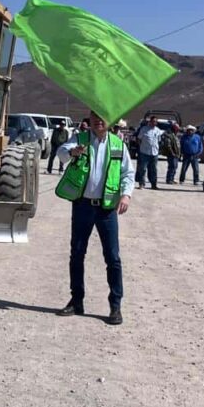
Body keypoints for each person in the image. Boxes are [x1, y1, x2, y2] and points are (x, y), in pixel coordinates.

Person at [54, 110, 134, 325]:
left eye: (103, 117)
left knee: (113, 257)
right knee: (77, 253)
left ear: (110, 121)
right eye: (94, 116)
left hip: (106, 209)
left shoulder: (118, 144)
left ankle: (115, 305)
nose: (99, 121)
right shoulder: (79, 140)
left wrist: (126, 194)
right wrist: (73, 153)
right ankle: (76, 300)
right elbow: (61, 153)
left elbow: (128, 172)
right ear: (89, 120)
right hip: (82, 206)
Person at [135, 115, 162, 190]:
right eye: (153, 121)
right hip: (144, 152)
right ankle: (142, 184)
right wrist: (141, 147)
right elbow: (139, 139)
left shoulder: (158, 130)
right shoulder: (144, 129)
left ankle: (153, 184)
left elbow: (158, 141)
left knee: (153, 170)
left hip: (154, 153)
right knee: (142, 169)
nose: (154, 123)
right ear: (150, 122)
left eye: (155, 122)